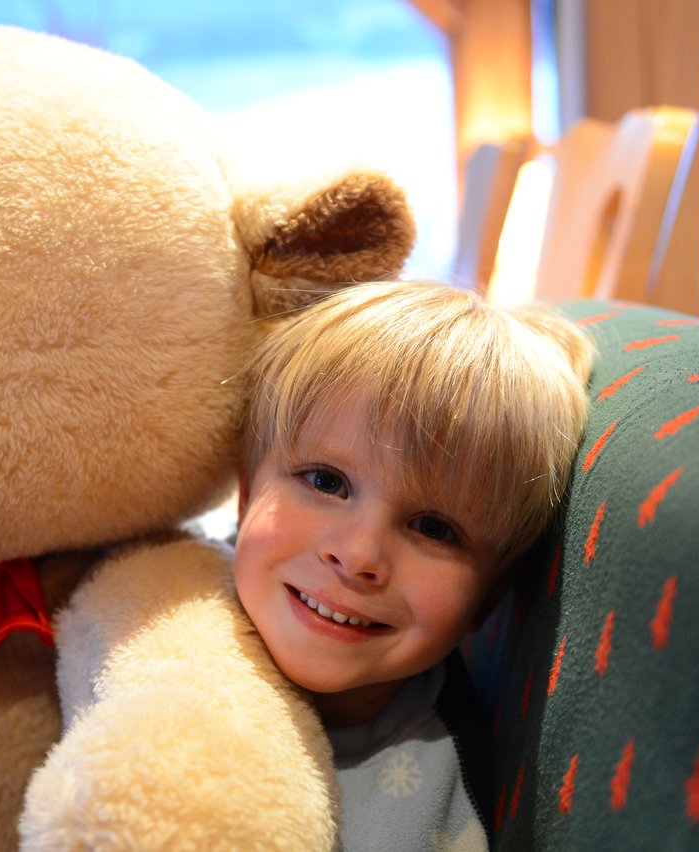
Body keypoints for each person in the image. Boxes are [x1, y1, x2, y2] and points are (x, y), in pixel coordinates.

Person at [233, 280, 593, 851]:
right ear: (245, 492)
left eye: (434, 528)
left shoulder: (442, 809)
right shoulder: (145, 602)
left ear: (491, 596)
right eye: (326, 481)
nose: (357, 557)